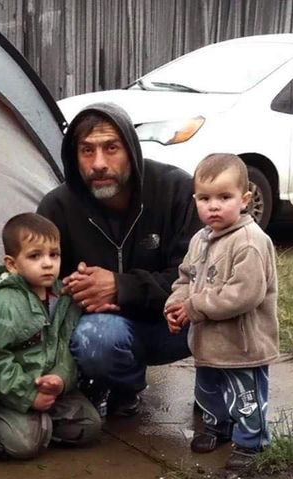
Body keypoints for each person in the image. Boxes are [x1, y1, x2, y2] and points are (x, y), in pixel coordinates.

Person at [37, 102, 199, 417]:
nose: (99, 163)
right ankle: (124, 386)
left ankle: (218, 391)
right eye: (87, 151)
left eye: (111, 148)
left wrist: (120, 287)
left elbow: (199, 277)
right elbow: (42, 288)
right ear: (74, 156)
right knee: (95, 339)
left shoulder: (176, 190)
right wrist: (78, 291)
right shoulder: (57, 208)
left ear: (131, 149)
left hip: (176, 327)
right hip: (108, 328)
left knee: (223, 313)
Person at [164, 153, 279, 470]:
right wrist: (176, 303)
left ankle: (251, 441)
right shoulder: (200, 240)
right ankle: (218, 427)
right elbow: (186, 276)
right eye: (205, 198)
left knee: (246, 397)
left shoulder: (250, 242)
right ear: (195, 200)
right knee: (209, 391)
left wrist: (194, 306)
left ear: (244, 200)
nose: (213, 206)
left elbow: (243, 295)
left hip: (243, 346)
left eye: (224, 197)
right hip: (208, 342)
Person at [0, 213, 102, 459]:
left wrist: (60, 378)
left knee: (90, 425)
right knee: (22, 446)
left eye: (53, 255)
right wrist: (28, 395)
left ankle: (40, 424)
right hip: (12, 394)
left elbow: (68, 344)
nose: (47, 263)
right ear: (12, 264)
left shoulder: (64, 297)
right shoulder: (4, 303)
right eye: (35, 256)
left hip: (51, 390)